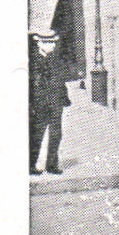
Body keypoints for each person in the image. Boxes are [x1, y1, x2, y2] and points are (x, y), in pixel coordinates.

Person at [29, 29, 69, 175]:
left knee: (56, 134)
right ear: (39, 43)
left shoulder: (56, 60)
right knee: (37, 133)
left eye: (53, 42)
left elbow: (61, 80)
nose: (52, 46)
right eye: (48, 43)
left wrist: (64, 97)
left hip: (56, 102)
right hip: (40, 103)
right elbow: (33, 85)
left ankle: (51, 164)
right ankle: (30, 164)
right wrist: (32, 103)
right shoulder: (33, 62)